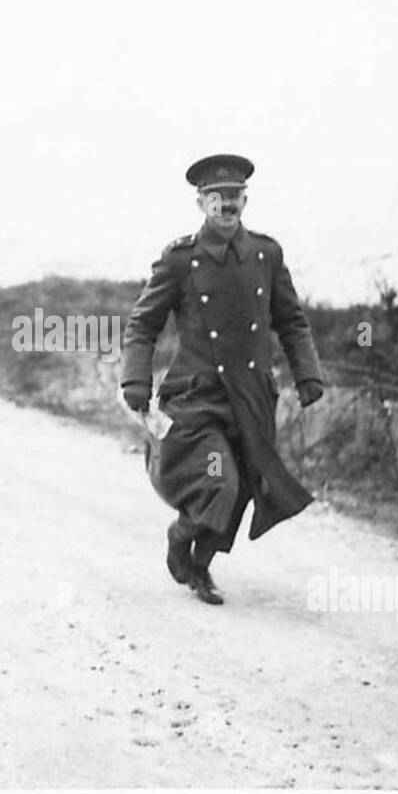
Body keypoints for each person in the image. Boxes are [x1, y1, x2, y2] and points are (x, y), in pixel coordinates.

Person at [121, 154, 324, 605]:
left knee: (245, 487)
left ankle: (201, 567)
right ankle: (182, 534)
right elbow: (142, 324)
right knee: (220, 480)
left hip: (251, 396)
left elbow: (291, 320)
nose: (226, 205)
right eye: (216, 197)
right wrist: (136, 381)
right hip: (198, 398)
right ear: (201, 203)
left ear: (244, 200)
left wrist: (307, 373)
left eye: (233, 196)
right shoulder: (181, 259)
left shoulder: (266, 255)